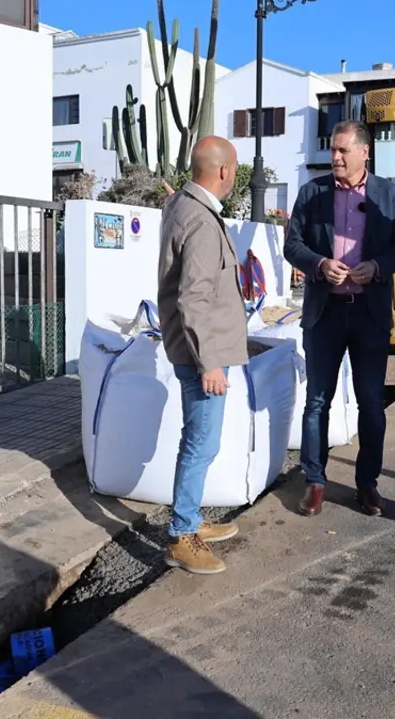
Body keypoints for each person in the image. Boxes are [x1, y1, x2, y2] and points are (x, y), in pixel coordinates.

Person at [284, 120, 395, 517]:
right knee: (317, 401)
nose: (335, 158)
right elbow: (292, 244)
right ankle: (315, 481)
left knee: (372, 403)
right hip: (325, 314)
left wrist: (375, 267)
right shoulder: (312, 192)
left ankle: (367, 484)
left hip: (369, 315)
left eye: (342, 151)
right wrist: (320, 264)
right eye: (333, 151)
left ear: (364, 152)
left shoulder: (388, 194)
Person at [155, 136, 246, 575]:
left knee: (196, 440)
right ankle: (181, 535)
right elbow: (194, 298)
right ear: (225, 172)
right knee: (201, 445)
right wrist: (209, 361)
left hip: (190, 347)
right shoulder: (203, 221)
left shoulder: (182, 206)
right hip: (201, 354)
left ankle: (189, 520)